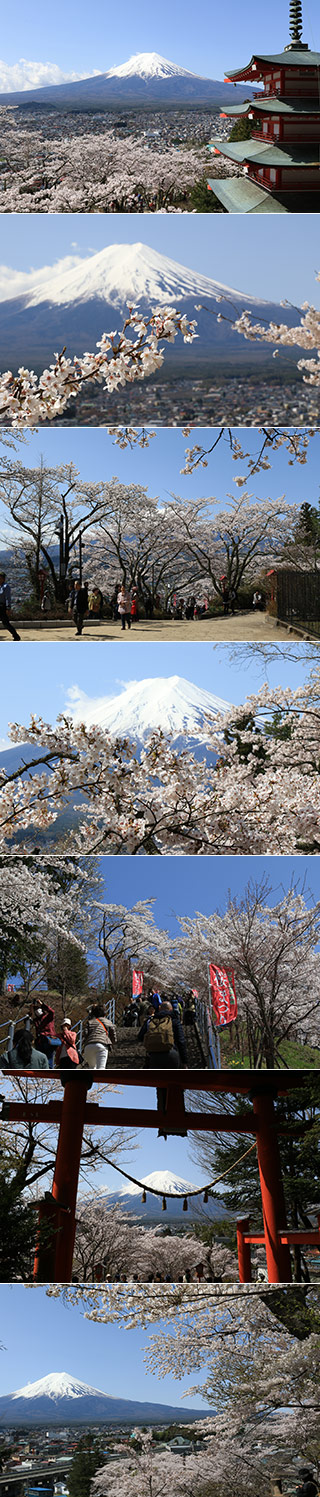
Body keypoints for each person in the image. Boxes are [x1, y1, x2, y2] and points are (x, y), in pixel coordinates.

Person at [138, 999, 187, 1069]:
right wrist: (184, 1061)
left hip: (154, 1056)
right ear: (171, 1009)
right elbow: (181, 1041)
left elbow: (140, 1037)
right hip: (172, 1054)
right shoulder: (175, 1021)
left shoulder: (150, 1020)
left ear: (159, 1009)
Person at [83, 1004, 117, 1069]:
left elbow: (85, 1033)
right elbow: (113, 1031)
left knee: (92, 1067)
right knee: (101, 1068)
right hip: (102, 1044)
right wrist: (113, 1042)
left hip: (89, 1046)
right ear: (105, 1013)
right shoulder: (108, 1021)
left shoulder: (90, 1022)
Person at [33, 1000, 61, 1069]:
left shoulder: (48, 1017)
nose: (37, 1011)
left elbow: (52, 1012)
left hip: (48, 1040)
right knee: (39, 1061)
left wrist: (42, 1005)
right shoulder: (36, 1020)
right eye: (35, 1009)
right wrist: (31, 1008)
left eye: (38, 1008)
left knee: (49, 1060)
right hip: (40, 1042)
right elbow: (29, 1017)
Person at [0, 573, 20, 640]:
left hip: (2, 607)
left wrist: (8, 608)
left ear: (3, 579)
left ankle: (16, 636)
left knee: (5, 623)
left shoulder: (6, 586)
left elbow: (7, 598)